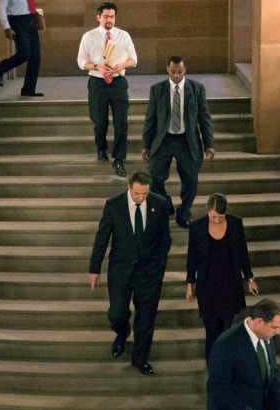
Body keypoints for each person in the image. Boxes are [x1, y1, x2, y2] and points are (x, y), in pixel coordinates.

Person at [89, 170, 171, 375]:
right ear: (129, 188)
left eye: (144, 193)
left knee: (146, 318)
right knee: (117, 313)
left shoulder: (159, 204)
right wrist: (94, 269)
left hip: (149, 272)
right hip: (121, 271)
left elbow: (164, 238)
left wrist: (160, 266)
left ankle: (140, 358)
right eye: (137, 193)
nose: (141, 198)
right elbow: (102, 238)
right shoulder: (114, 205)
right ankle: (122, 332)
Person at [141, 56, 215, 229]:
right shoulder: (157, 89)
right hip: (164, 139)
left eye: (179, 72)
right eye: (173, 71)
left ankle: (184, 212)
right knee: (154, 175)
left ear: (185, 70)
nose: (176, 75)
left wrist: (209, 144)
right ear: (167, 69)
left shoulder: (197, 89)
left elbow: (205, 118)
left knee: (191, 179)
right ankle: (165, 203)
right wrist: (146, 144)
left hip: (186, 140)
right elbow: (150, 119)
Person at [186, 193, 259, 361]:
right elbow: (192, 257)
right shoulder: (197, 227)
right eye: (213, 217)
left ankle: (225, 365)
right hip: (207, 287)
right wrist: (190, 283)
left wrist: (249, 278)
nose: (217, 220)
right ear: (207, 210)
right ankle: (213, 367)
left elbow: (242, 253)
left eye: (221, 217)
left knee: (227, 331)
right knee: (211, 331)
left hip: (230, 285)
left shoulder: (235, 224)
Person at [77, 2, 137, 177]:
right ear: (98, 17)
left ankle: (119, 159)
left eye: (112, 16)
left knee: (121, 122)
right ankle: (101, 149)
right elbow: (81, 61)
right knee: (100, 121)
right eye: (105, 16)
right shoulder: (89, 36)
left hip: (118, 82)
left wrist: (123, 64)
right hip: (97, 82)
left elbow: (134, 58)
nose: (109, 19)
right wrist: (97, 66)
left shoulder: (123, 36)